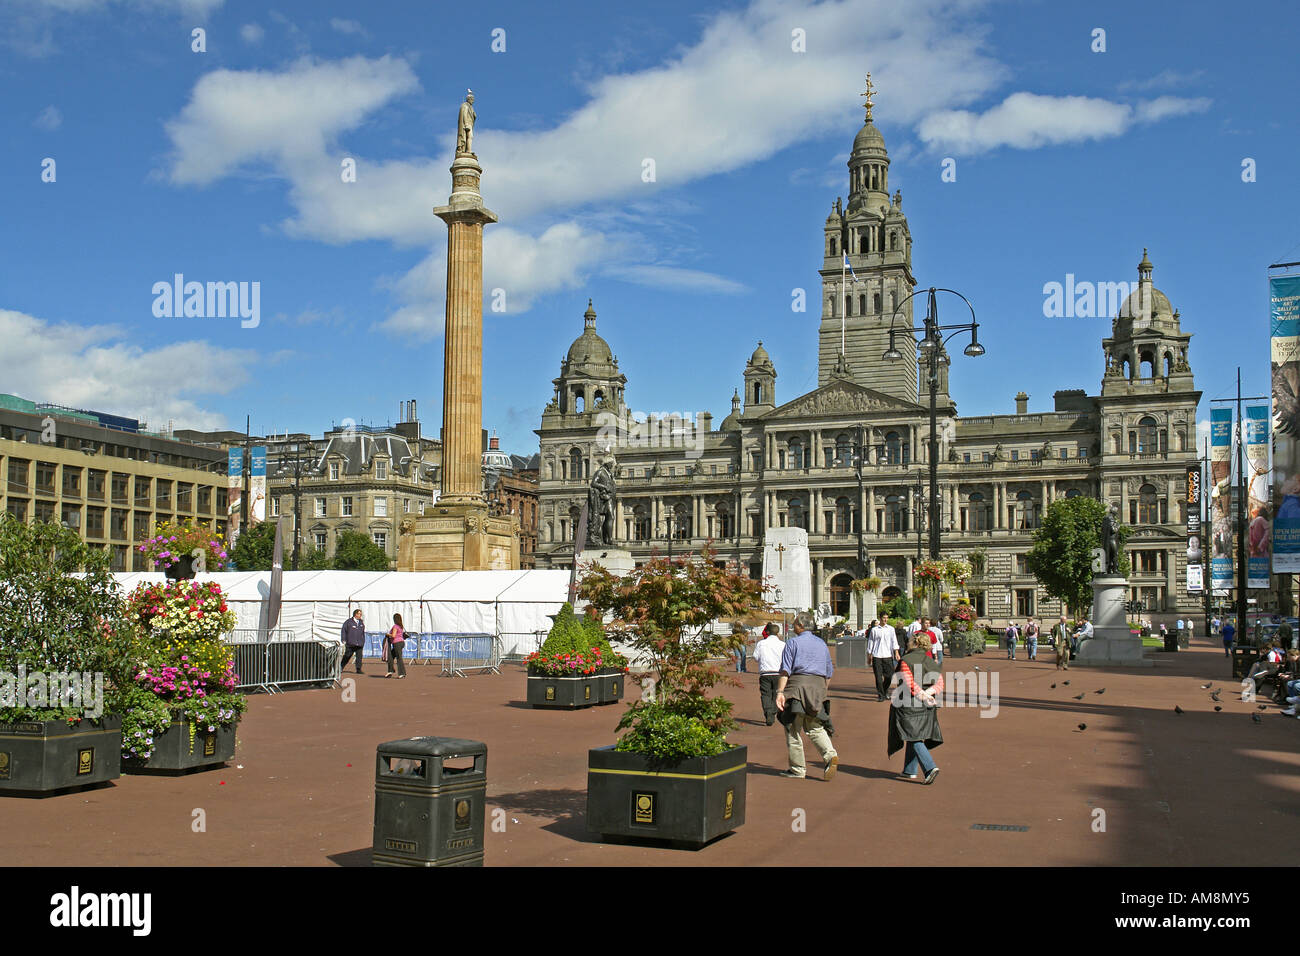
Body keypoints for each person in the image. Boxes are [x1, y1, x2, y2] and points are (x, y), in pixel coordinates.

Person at [775, 612, 838, 780]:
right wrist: (823, 691)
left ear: (801, 626)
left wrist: (780, 692)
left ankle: (798, 768)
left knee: (792, 727)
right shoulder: (822, 644)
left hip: (797, 686)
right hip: (818, 686)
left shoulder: (792, 643)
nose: (793, 626)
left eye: (795, 623)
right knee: (815, 726)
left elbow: (785, 670)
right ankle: (830, 755)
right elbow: (829, 672)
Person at [887, 632, 944, 784]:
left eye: (910, 640)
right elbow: (939, 684)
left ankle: (929, 767)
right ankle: (909, 770)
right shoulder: (931, 661)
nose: (907, 642)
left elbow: (908, 682)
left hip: (908, 704)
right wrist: (928, 694)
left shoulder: (906, 660)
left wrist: (921, 695)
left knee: (912, 735)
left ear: (915, 643)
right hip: (927, 705)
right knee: (914, 734)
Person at [752, 622, 785, 725]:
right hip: (778, 672)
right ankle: (773, 712)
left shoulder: (761, 643)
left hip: (765, 672)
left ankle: (768, 712)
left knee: (765, 694)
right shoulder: (783, 644)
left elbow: (756, 657)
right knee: (776, 693)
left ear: (768, 632)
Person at [866, 617, 900, 701]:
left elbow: (894, 641)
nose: (885, 620)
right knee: (878, 677)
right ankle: (881, 695)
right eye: (884, 618)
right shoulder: (874, 630)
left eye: (887, 618)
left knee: (890, 676)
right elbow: (871, 642)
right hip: (877, 656)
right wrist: (869, 656)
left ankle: (884, 690)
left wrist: (896, 652)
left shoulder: (891, 629)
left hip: (888, 655)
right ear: (880, 619)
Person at [340, 608, 366, 675]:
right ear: (355, 614)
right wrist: (343, 639)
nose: (360, 615)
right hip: (351, 643)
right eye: (359, 614)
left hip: (359, 643)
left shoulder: (361, 622)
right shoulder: (348, 622)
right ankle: (340, 667)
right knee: (347, 656)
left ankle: (358, 669)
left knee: (359, 657)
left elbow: (362, 632)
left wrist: (363, 640)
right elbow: (343, 631)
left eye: (361, 614)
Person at [386, 613, 408, 679]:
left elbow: (393, 635)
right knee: (390, 657)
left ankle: (402, 673)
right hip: (401, 642)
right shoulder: (401, 626)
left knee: (399, 658)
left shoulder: (395, 626)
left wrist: (387, 634)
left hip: (397, 643)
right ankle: (390, 671)